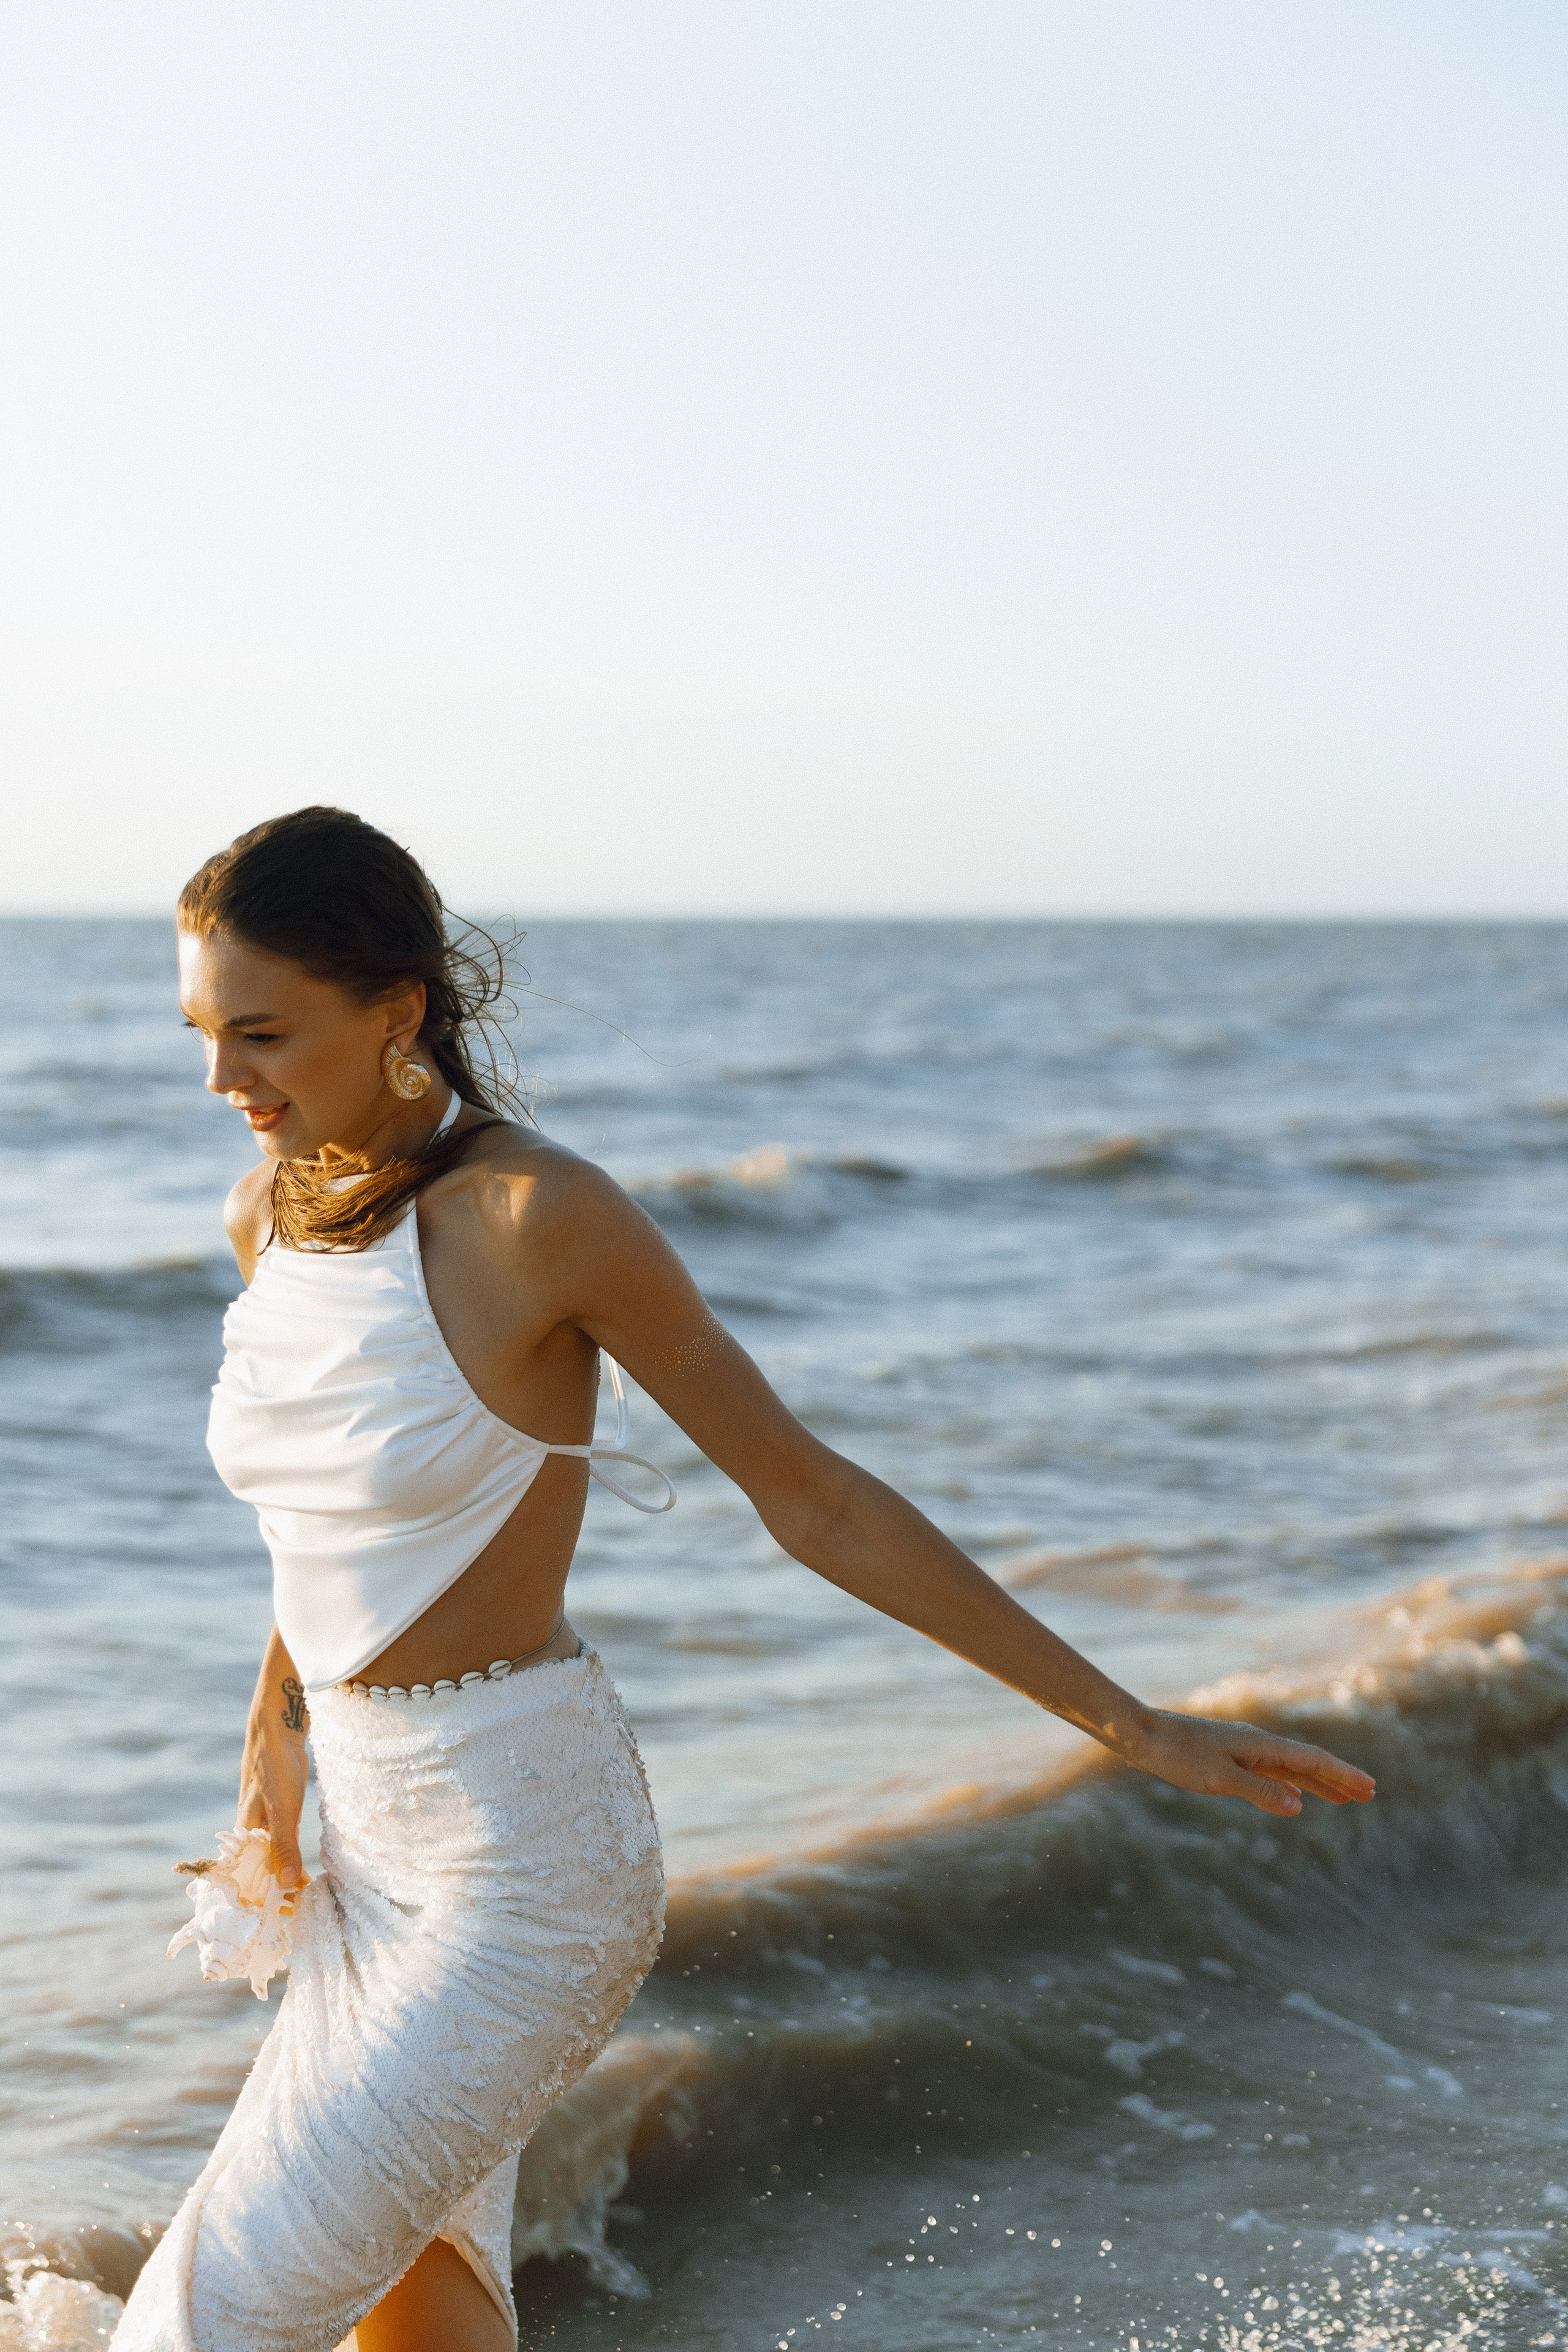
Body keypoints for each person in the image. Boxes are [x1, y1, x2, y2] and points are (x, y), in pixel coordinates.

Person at [113, 807, 1374, 2352]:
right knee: (421, 2307)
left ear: (397, 1008)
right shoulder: (268, 1219)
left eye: (260, 1033)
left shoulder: (538, 1217)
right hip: (366, 1856)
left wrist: (1128, 1724)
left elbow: (815, 1500)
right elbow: (310, 1543)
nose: (221, 1081)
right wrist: (269, 1781)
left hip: (524, 1866)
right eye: (199, 1031)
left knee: (202, 2326)